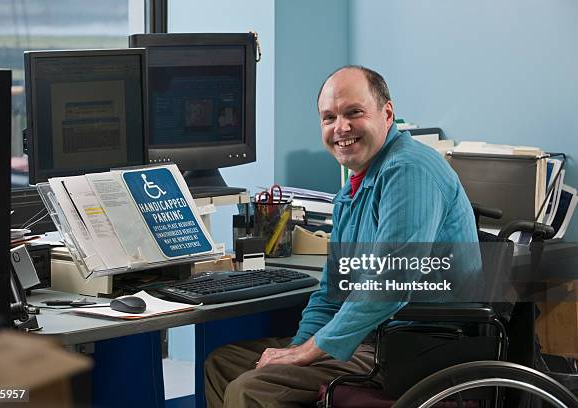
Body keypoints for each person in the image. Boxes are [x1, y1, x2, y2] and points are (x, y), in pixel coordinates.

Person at [205, 65, 479, 407]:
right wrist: (296, 350)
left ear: (387, 114)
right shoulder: (354, 188)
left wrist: (306, 353)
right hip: (370, 338)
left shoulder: (409, 170)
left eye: (354, 113)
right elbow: (330, 292)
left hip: (410, 347)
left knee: (250, 389)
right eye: (329, 117)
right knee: (223, 365)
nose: (341, 128)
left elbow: (389, 285)